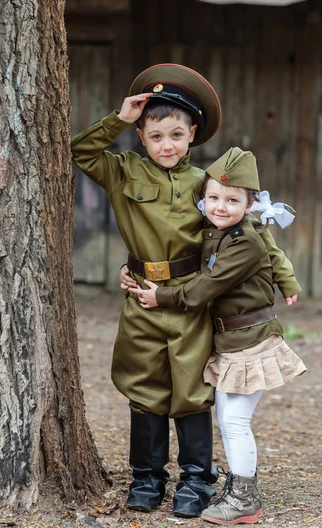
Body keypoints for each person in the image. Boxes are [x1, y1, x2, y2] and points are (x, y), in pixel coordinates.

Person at [71, 64, 301, 518]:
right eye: (155, 136)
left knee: (193, 389)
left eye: (176, 135)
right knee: (146, 386)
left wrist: (285, 278)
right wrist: (120, 117)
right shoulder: (123, 171)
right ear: (141, 136)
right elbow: (82, 150)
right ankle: (147, 477)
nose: (166, 145)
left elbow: (251, 228)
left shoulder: (206, 184)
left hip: (193, 298)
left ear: (192, 133)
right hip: (142, 296)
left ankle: (196, 479)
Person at [128, 147, 307, 524]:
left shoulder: (243, 241)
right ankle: (240, 490)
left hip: (250, 343)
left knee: (235, 422)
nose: (220, 206)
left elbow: (203, 288)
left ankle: (244, 501)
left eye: (231, 200)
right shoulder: (220, 232)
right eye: (212, 197)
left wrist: (159, 295)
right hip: (231, 341)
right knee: (229, 420)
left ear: (251, 203)